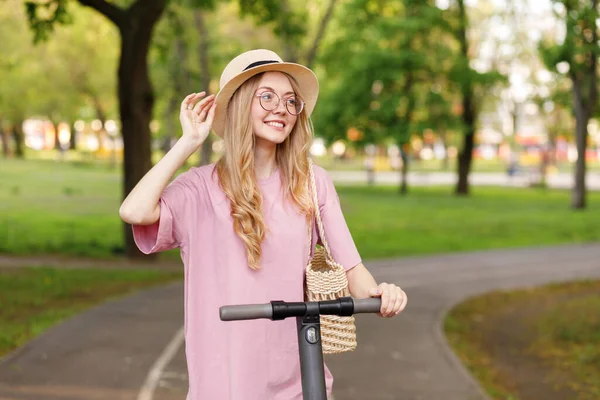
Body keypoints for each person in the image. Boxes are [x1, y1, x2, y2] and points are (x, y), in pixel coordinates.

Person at [119, 49, 408, 400]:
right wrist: (189, 142)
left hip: (299, 378)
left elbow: (352, 269)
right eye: (267, 97)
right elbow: (135, 211)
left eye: (290, 101)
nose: (281, 109)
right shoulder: (199, 188)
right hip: (224, 383)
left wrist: (382, 294)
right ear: (241, 105)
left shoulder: (312, 183)